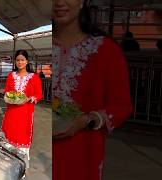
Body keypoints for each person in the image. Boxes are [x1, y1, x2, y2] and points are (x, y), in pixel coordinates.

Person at [53, 0, 133, 180]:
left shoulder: (106, 50)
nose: (58, 3)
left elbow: (121, 105)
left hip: (83, 154)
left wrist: (87, 120)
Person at [2, 49, 43, 166]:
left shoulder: (34, 77)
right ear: (15, 62)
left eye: (22, 60)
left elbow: (39, 94)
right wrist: (8, 97)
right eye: (18, 60)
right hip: (11, 111)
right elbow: (7, 91)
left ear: (27, 61)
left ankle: (20, 164)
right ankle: (7, 161)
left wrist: (29, 98)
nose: (20, 62)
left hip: (26, 112)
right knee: (9, 133)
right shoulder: (11, 76)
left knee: (21, 135)